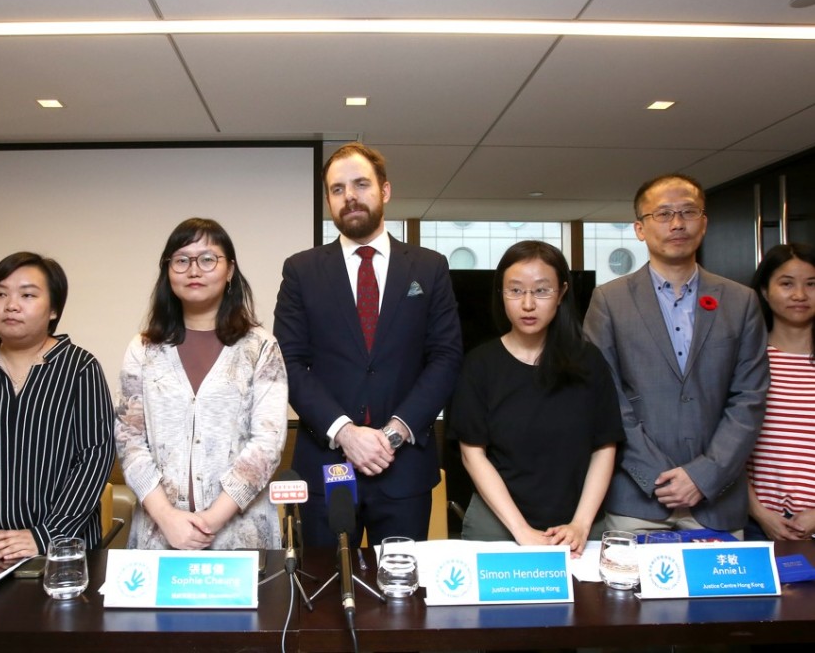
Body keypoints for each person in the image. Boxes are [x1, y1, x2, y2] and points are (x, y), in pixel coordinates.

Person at [274, 143, 462, 547]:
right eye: (338, 189)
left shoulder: (429, 268)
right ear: (328, 200)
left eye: (361, 184)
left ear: (385, 191)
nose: (350, 196)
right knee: (322, 596)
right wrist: (345, 433)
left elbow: (446, 357)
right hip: (327, 466)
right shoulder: (301, 271)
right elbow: (288, 362)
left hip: (404, 467)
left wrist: (395, 432)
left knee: (401, 597)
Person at [584, 173, 769, 537]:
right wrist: (654, 474)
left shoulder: (741, 301)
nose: (678, 223)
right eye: (664, 214)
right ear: (640, 228)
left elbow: (749, 398)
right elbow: (604, 396)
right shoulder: (609, 300)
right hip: (638, 497)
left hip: (716, 500)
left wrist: (703, 475)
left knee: (727, 595)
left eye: (688, 211)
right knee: (627, 594)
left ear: (704, 222)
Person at [0, 252, 114, 561]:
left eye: (27, 295)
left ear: (53, 309)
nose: (11, 305)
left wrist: (45, 535)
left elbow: (95, 457)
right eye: (0, 294)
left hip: (62, 553)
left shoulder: (80, 368)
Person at [115, 218, 287, 550]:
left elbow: (267, 443)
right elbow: (129, 440)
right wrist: (167, 518)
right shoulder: (143, 349)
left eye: (207, 259)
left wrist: (208, 523)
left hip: (241, 537)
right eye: (181, 260)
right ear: (168, 270)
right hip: (159, 535)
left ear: (230, 269)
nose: (194, 270)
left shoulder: (261, 347)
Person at [451, 241, 623, 556]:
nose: (527, 304)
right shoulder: (480, 364)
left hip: (580, 527)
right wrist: (522, 531)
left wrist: (580, 525)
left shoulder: (589, 361)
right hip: (498, 527)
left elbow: (604, 446)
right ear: (500, 294)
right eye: (515, 291)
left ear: (561, 293)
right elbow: (472, 454)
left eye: (541, 291)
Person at [746, 242, 815, 540]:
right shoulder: (747, 361)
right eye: (787, 284)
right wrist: (760, 514)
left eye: (812, 284)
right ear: (764, 290)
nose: (800, 295)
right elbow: (727, 448)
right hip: (757, 522)